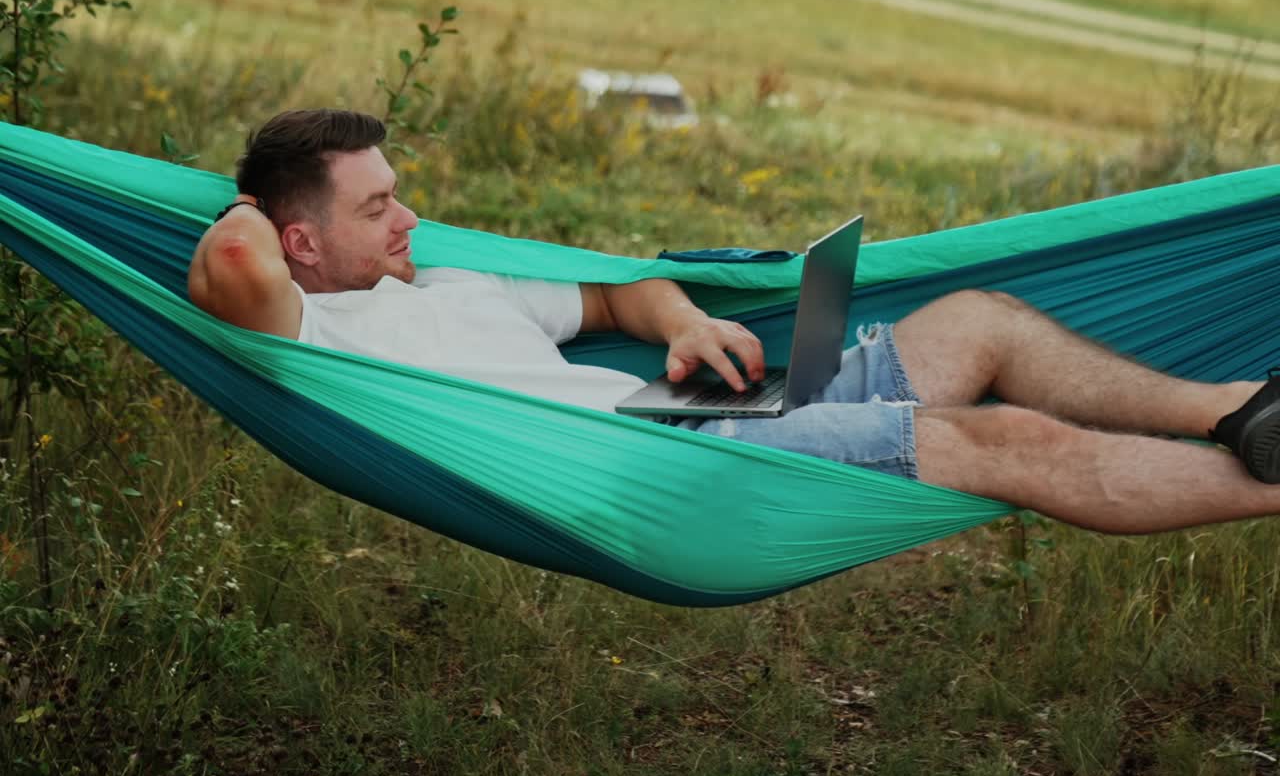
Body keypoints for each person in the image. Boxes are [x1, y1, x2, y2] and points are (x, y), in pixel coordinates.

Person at [188, 108, 1280, 535]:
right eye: (376, 205)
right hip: (643, 464)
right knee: (1001, 441)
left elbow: (618, 293)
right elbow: (230, 250)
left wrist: (679, 327)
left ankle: (1237, 408)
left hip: (689, 406)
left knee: (978, 321)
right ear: (299, 241)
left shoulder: (449, 285)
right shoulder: (310, 333)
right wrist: (256, 192)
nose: (408, 216)